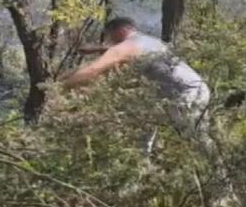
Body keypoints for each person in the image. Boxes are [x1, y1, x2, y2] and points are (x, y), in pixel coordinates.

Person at [63, 17, 211, 148]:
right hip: (198, 88)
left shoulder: (128, 46)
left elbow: (94, 69)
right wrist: (94, 49)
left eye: (110, 36)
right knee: (148, 123)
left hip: (183, 95)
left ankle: (220, 173)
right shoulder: (151, 42)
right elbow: (116, 50)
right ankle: (143, 165)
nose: (111, 41)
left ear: (120, 31)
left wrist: (59, 86)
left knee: (194, 140)